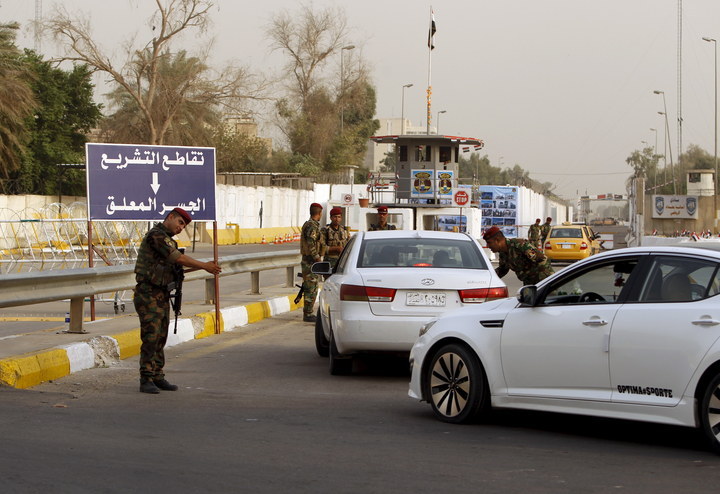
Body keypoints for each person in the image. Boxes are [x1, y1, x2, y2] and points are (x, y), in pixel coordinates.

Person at [134, 207, 222, 394]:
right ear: (171, 217)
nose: (181, 227)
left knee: (160, 336)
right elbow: (178, 258)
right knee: (151, 336)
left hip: (160, 293)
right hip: (148, 293)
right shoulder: (156, 236)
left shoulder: (167, 239)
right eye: (180, 222)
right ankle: (146, 378)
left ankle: (157, 375)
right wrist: (204, 266)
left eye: (184, 225)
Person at [483, 225, 554, 285]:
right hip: (529, 283)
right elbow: (503, 270)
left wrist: (542, 282)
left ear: (497, 240)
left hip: (544, 281)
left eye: (489, 243)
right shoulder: (503, 253)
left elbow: (542, 259)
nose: (488, 246)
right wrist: (487, 278)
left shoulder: (519, 245)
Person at [300, 202, 323, 322]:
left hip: (309, 261)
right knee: (310, 289)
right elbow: (311, 243)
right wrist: (317, 258)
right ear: (319, 213)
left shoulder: (310, 224)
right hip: (310, 262)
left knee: (312, 287)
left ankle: (308, 312)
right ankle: (308, 314)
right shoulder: (312, 226)